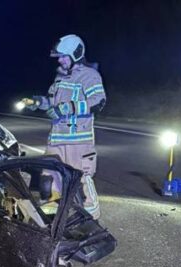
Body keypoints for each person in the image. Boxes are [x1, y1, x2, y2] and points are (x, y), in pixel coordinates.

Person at [25, 34, 106, 219]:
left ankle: (90, 220)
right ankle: (54, 221)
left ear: (76, 54)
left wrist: (67, 108)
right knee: (48, 181)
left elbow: (98, 102)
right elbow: (53, 105)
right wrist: (39, 103)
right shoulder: (60, 79)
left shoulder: (89, 76)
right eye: (58, 57)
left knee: (80, 181)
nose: (60, 60)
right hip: (56, 140)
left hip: (78, 142)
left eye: (63, 56)